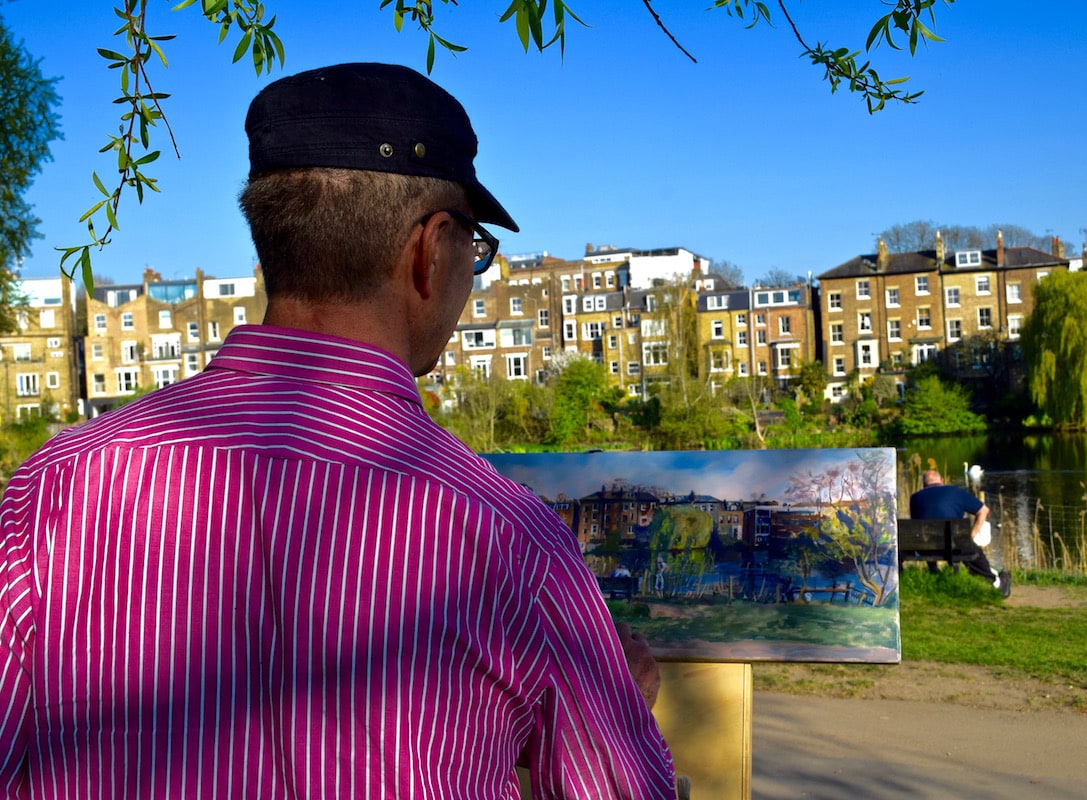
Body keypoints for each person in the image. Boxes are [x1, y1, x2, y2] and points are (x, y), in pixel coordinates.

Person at [0, 63, 674, 798]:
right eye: (474, 251)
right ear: (429, 249)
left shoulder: (56, 489)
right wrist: (611, 718)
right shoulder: (510, 545)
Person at [909, 469, 1011, 597]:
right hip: (955, 547)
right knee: (971, 549)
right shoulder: (955, 492)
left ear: (923, 484)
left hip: (925, 548)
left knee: (935, 538)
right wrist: (971, 535)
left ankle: (934, 572)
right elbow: (984, 511)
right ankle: (996, 582)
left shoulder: (915, 498)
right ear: (942, 481)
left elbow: (917, 524)